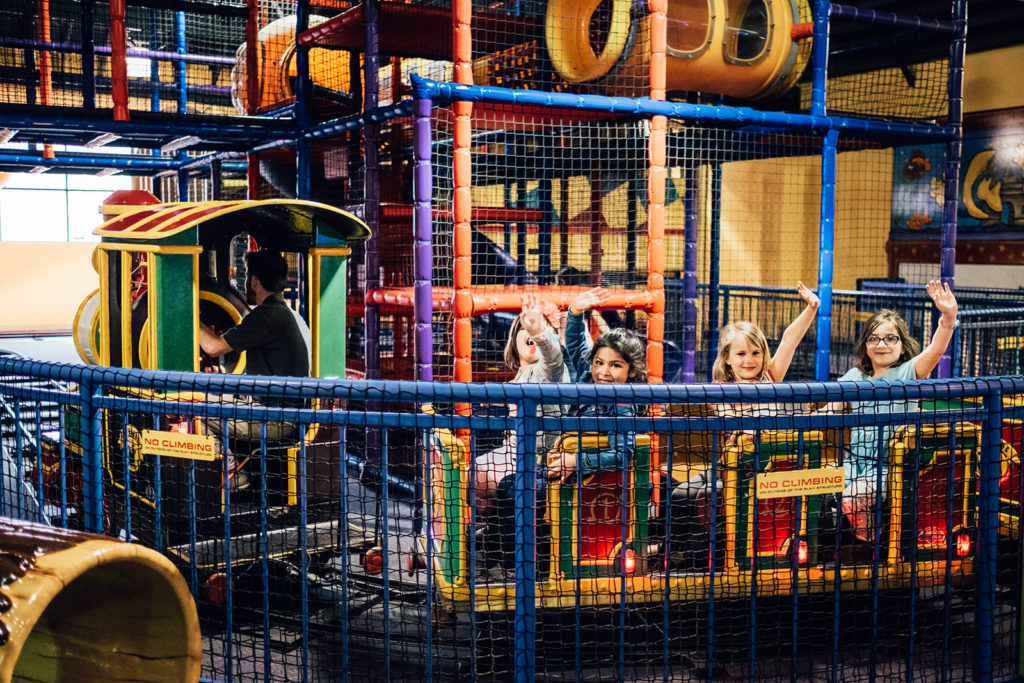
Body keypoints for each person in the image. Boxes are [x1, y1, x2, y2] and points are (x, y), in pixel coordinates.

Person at [488, 287, 647, 576]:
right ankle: (508, 558)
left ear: (631, 371)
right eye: (599, 362)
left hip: (588, 477)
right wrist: (575, 311)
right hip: (562, 466)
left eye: (615, 365)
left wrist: (576, 461)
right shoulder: (590, 379)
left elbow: (623, 453)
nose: (603, 371)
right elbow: (574, 346)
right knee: (510, 486)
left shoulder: (622, 402)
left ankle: (526, 565)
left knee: (522, 491)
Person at [668, 281, 819, 569]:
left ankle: (727, 552)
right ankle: (688, 554)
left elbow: (789, 340)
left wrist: (811, 308)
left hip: (768, 464)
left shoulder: (771, 379)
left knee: (713, 498)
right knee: (681, 493)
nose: (749, 360)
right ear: (727, 358)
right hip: (734, 465)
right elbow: (731, 420)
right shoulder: (719, 389)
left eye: (755, 353)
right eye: (740, 354)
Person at [825, 279, 958, 542]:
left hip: (893, 467)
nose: (881, 344)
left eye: (889, 338)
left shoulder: (909, 372)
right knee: (816, 484)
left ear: (901, 343)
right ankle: (838, 541)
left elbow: (937, 349)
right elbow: (830, 408)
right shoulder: (855, 375)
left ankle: (873, 544)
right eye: (873, 338)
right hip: (854, 465)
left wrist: (948, 317)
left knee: (852, 498)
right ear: (865, 344)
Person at [199, 250, 310, 487]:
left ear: (255, 281)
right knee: (214, 399)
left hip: (277, 420)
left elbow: (212, 347)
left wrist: (186, 313)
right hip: (282, 412)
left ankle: (231, 473)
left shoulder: (266, 316)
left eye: (248, 275)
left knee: (196, 410)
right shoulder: (281, 312)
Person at [474, 295, 569, 520]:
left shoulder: (548, 370)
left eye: (538, 328)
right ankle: (490, 530)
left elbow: (554, 358)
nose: (531, 332)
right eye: (524, 328)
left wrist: (540, 332)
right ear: (514, 341)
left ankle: (499, 532)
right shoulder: (522, 374)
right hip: (516, 451)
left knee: (475, 479)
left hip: (537, 457)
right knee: (464, 476)